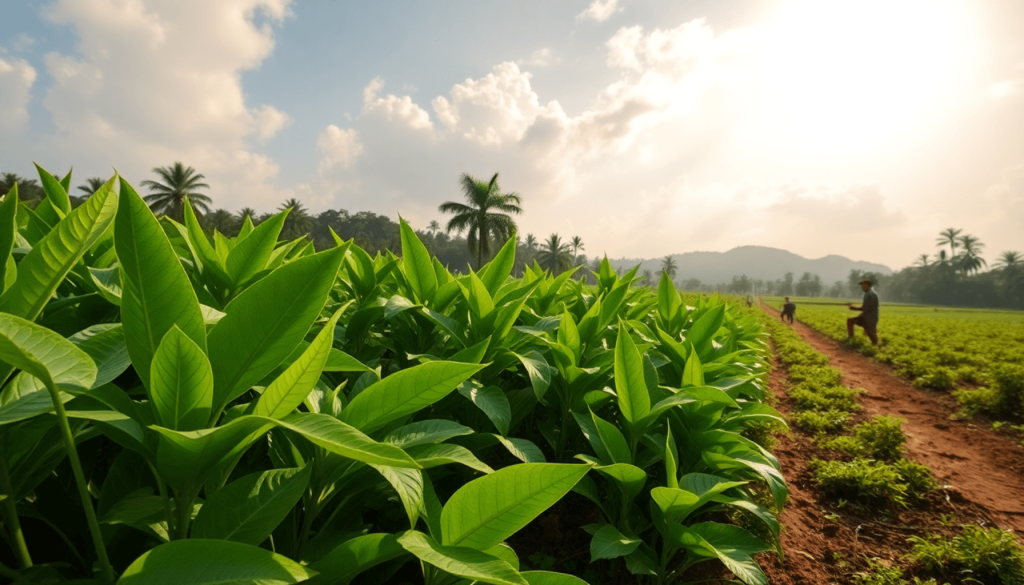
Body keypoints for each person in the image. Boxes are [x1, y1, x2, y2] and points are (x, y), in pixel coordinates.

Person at [847, 278, 879, 345]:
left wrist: (852, 307)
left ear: (868, 285)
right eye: (862, 286)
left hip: (870, 319)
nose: (862, 288)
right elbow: (866, 308)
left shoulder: (869, 294)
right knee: (850, 321)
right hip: (867, 317)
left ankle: (876, 346)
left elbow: (864, 308)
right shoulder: (870, 293)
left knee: (871, 334)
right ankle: (851, 340)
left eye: (864, 286)